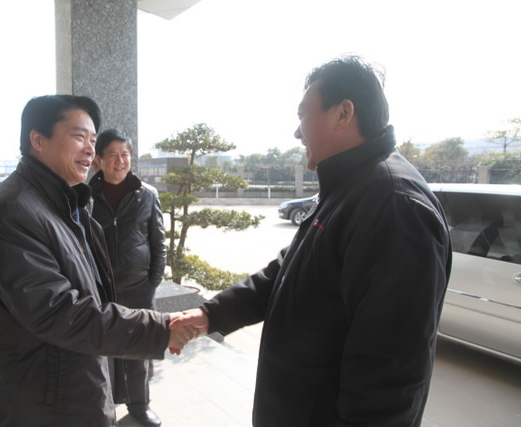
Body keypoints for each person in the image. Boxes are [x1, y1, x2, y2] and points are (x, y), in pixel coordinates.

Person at [170, 56, 453, 426]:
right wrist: (212, 315)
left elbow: (389, 373)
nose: (297, 132)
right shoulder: (350, 187)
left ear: (343, 113)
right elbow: (285, 274)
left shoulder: (394, 205)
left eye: (303, 114)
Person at [0, 95, 194, 427]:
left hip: (70, 383)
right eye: (79, 137)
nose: (90, 149)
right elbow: (59, 311)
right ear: (37, 140)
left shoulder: (68, 202)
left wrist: (150, 283)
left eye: (92, 140)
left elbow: (153, 245)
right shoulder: (14, 211)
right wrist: (160, 331)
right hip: (39, 401)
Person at [89, 129, 166, 427]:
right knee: (101, 354)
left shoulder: (147, 195)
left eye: (125, 154)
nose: (120, 161)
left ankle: (139, 406)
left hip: (138, 288)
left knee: (137, 351)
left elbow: (158, 242)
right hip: (100, 290)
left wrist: (153, 280)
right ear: (99, 160)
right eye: (113, 155)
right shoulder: (85, 197)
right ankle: (103, 408)